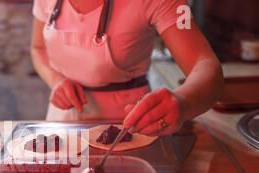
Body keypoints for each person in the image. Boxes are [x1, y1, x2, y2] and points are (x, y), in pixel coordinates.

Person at [31, 0, 223, 136]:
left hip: (130, 128)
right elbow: (37, 48)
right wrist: (56, 80)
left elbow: (206, 64)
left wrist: (183, 102)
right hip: (62, 124)